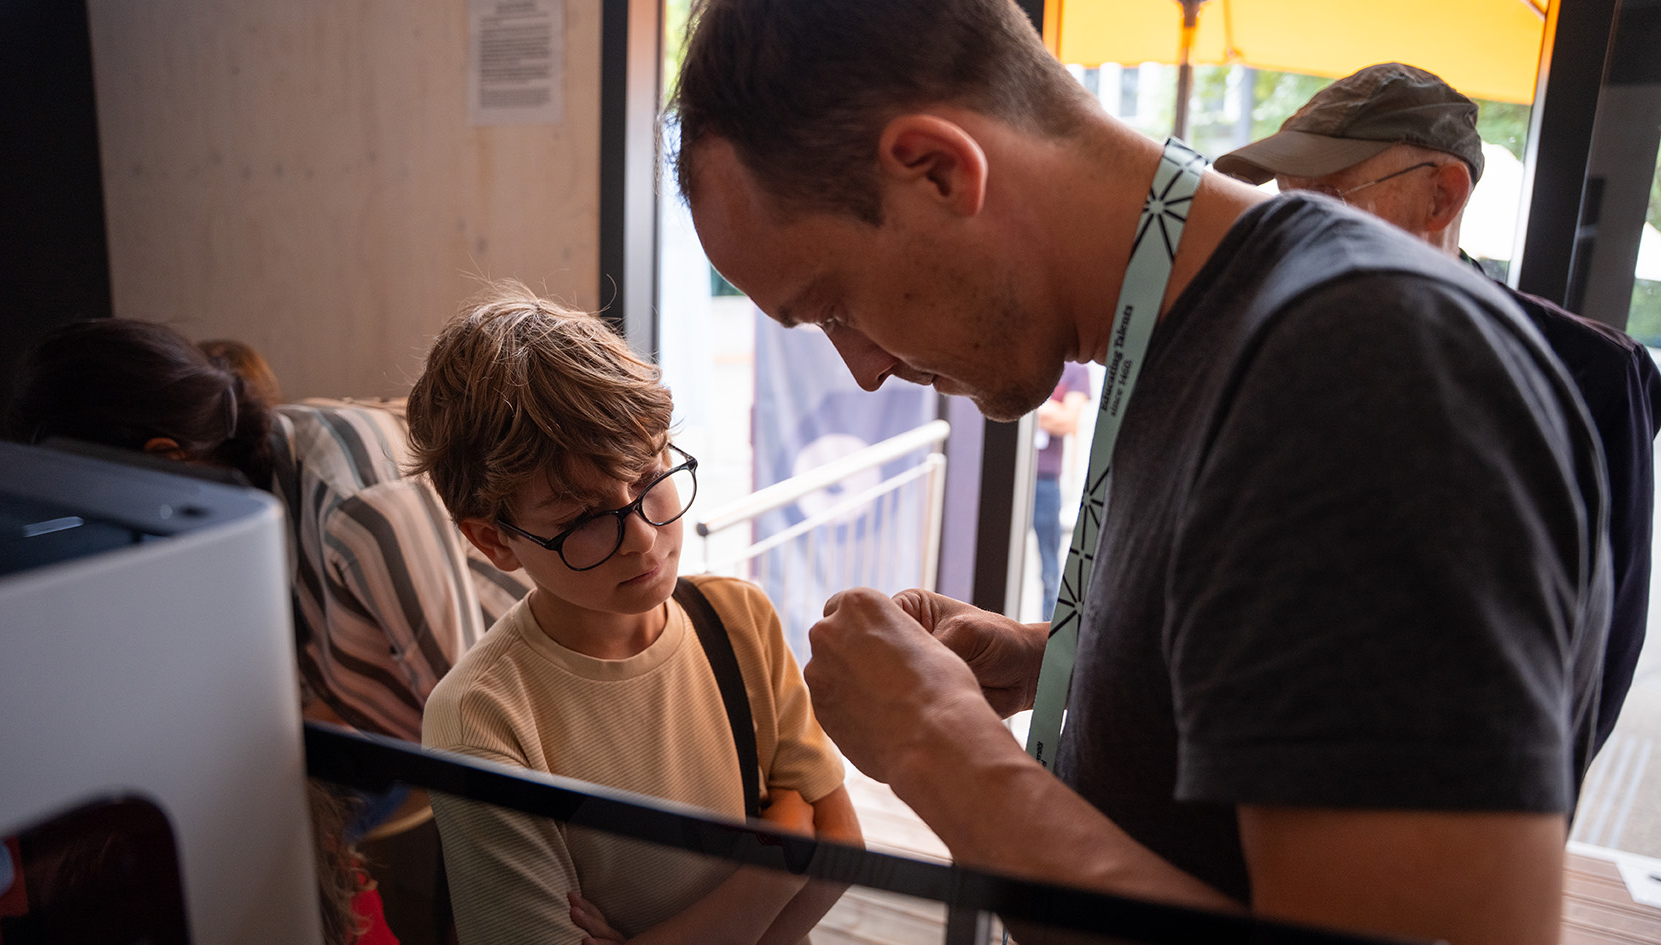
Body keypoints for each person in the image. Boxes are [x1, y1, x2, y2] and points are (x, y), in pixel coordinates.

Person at [671, 2, 1610, 943]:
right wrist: (1058, 658)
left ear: (940, 170)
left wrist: (933, 738)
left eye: (832, 305)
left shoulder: (1366, 364)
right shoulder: (1204, 330)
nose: (863, 370)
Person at [5, 318, 522, 945]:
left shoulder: (357, 509)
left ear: (164, 458)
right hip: (353, 708)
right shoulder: (238, 492)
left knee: (217, 846)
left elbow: (474, 727)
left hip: (459, 729)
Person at [1213, 61, 1661, 755]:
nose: (1294, 233)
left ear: (1441, 197)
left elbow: (1595, 665)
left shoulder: (1589, 372)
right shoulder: (1281, 341)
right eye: (1285, 203)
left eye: (1327, 198)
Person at [406, 280, 861, 945]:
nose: (645, 536)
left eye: (650, 478)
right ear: (494, 539)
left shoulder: (737, 619)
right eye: (587, 518)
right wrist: (776, 863)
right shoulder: (482, 716)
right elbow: (811, 841)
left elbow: (843, 845)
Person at [1032, 363, 1092, 620]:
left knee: (1050, 567)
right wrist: (1050, 410)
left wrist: (1032, 406)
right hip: (1025, 476)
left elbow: (1068, 421)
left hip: (1047, 481)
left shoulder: (1077, 371)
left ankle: (1047, 633)